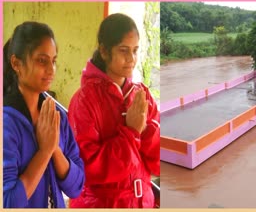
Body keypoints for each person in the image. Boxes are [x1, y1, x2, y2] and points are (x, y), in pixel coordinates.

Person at [68, 13, 160, 208]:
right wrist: (132, 133)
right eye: (123, 50)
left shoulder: (142, 94)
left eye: (135, 50)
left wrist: (146, 130)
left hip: (142, 202)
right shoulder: (84, 100)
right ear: (104, 51)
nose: (131, 59)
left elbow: (159, 162)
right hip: (101, 204)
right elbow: (89, 167)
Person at [3, 21, 85, 208]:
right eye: (42, 60)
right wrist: (44, 152)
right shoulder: (6, 124)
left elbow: (76, 187)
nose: (51, 69)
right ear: (16, 63)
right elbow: (7, 203)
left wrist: (54, 149)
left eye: (53, 61)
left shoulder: (56, 117)